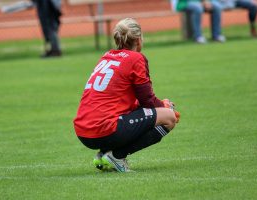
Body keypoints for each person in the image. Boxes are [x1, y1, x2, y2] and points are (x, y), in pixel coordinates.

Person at [73, 18, 180, 172]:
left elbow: (123, 101)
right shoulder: (136, 58)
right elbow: (147, 102)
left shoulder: (107, 56)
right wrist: (163, 105)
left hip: (83, 131)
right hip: (104, 128)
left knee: (148, 114)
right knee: (169, 117)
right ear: (138, 39)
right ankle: (117, 155)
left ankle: (103, 154)